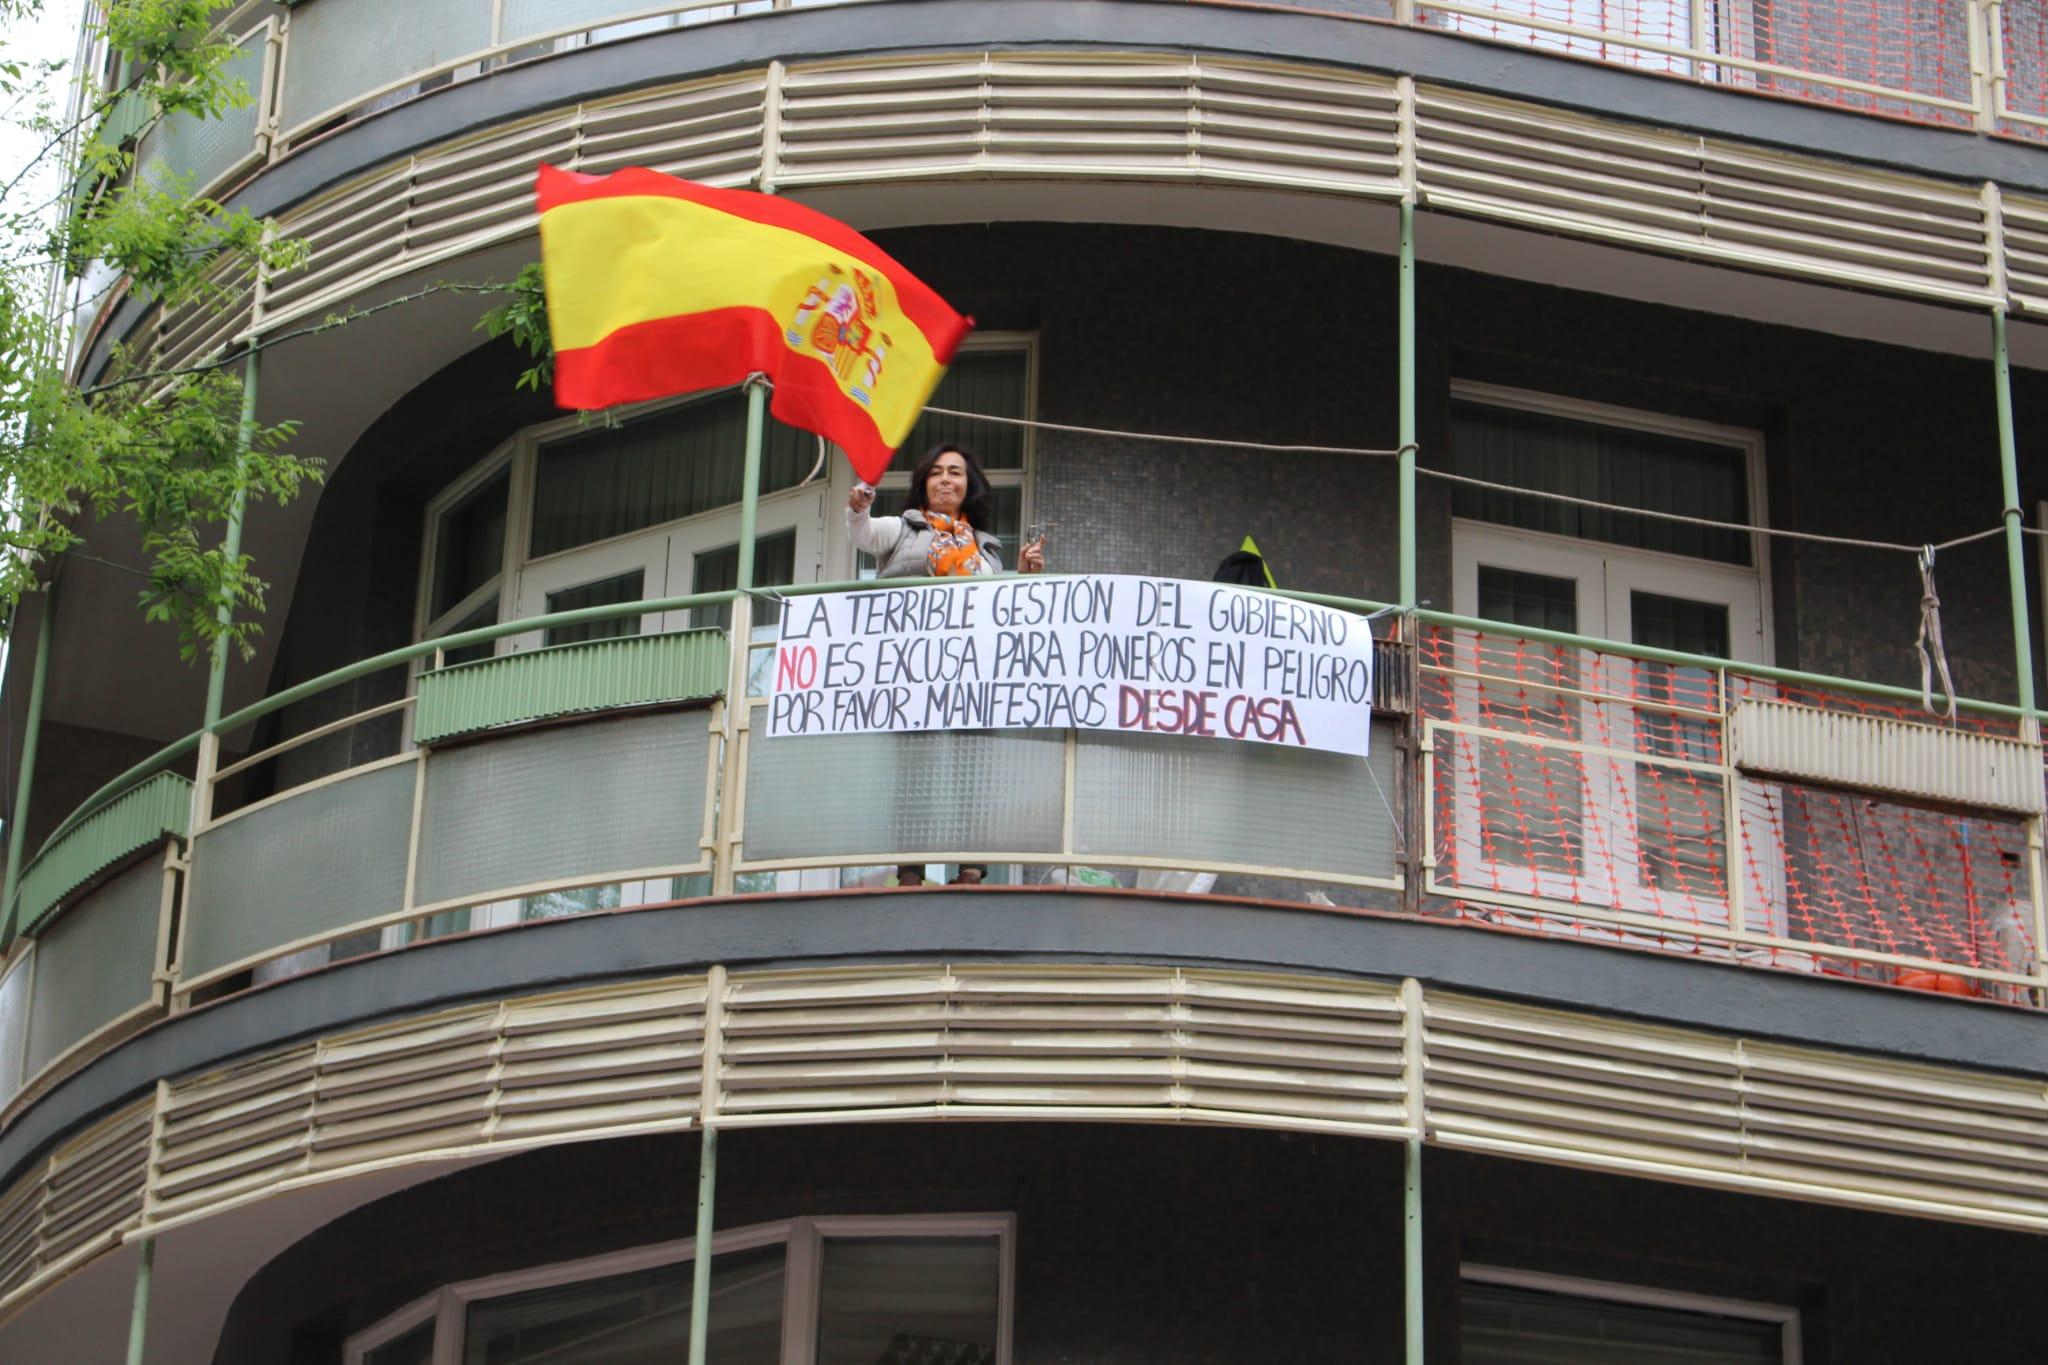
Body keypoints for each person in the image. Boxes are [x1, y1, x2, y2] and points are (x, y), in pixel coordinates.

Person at [847, 443, 1046, 576]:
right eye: (935, 473)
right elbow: (864, 534)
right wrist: (859, 510)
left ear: (970, 485)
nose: (945, 479)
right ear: (924, 484)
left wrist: (1024, 578)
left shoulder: (985, 549)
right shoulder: (902, 530)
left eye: (955, 472)